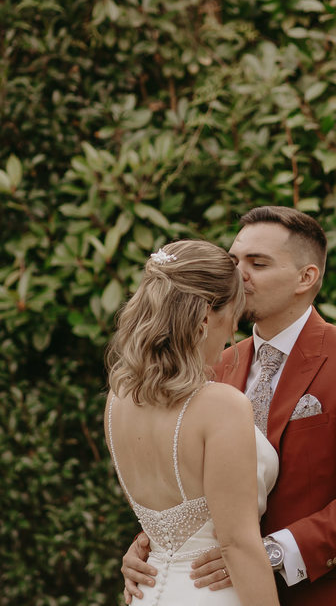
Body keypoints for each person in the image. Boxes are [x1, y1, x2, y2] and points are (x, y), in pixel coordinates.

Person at [122, 207, 336, 606]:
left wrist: (272, 553)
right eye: (233, 261)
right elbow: (192, 481)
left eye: (257, 264)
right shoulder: (214, 365)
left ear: (306, 277)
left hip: (334, 592)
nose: (238, 275)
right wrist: (158, 546)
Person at [105, 240, 281, 606]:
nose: (231, 336)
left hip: (147, 592)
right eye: (232, 318)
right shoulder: (222, 406)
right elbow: (238, 545)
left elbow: (161, 522)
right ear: (204, 319)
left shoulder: (117, 399)